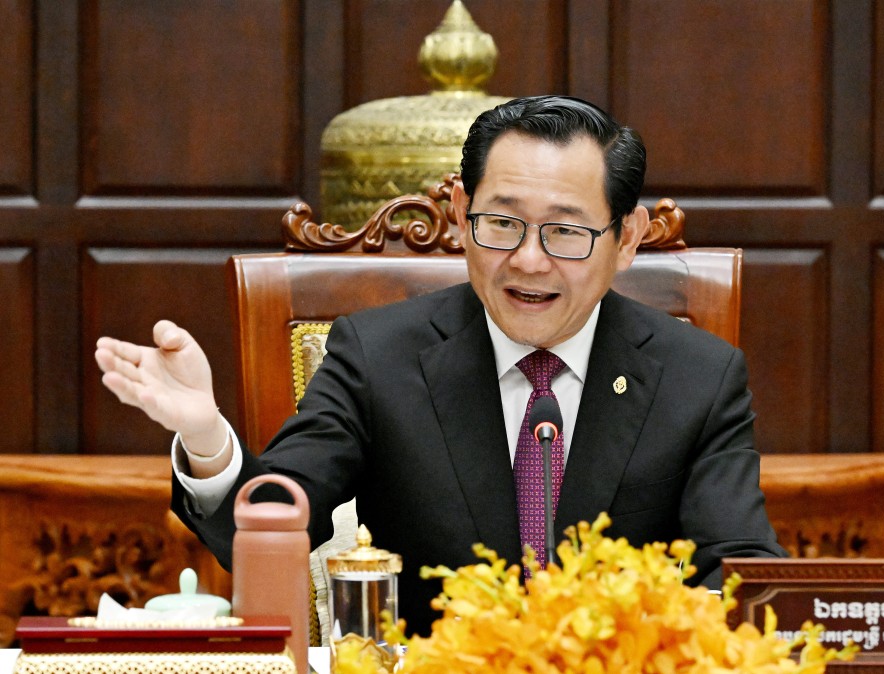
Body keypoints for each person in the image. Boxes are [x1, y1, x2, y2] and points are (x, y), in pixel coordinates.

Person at [95, 95, 786, 636]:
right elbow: (277, 521)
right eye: (502, 223)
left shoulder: (699, 376)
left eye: (566, 231)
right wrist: (207, 439)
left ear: (626, 238)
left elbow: (744, 577)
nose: (529, 260)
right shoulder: (378, 355)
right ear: (460, 212)